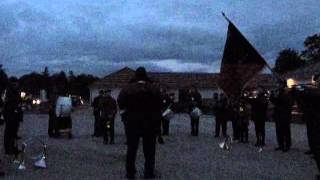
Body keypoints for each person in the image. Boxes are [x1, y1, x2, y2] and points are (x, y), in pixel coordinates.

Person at [118, 67, 162, 179]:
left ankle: (130, 173)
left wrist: (126, 117)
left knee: (131, 149)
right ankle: (148, 173)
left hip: (132, 122)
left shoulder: (127, 89)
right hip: (150, 122)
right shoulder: (154, 88)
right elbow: (159, 105)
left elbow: (121, 103)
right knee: (150, 150)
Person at [270, 86, 293, 152]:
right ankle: (281, 144)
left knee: (286, 131)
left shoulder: (287, 95)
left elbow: (287, 103)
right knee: (279, 131)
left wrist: (281, 94)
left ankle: (287, 145)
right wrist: (272, 94)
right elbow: (273, 101)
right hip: (278, 115)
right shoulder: (279, 94)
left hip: (285, 115)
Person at [3, 79, 22, 155]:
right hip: (10, 115)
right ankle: (8, 150)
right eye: (16, 84)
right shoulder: (9, 92)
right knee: (9, 133)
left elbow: (18, 101)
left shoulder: (15, 92)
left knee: (13, 133)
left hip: (14, 115)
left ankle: (13, 148)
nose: (17, 85)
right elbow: (10, 103)